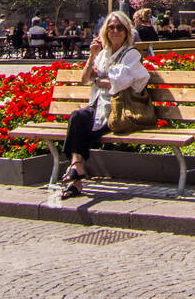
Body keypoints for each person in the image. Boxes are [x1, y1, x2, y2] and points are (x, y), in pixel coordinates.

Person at [60, 10, 149, 199]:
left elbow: (121, 83)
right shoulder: (102, 54)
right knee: (78, 118)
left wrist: (100, 80)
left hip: (118, 110)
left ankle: (76, 178)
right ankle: (77, 168)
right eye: (111, 28)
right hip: (98, 106)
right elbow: (85, 80)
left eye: (119, 28)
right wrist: (92, 57)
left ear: (126, 31)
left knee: (80, 123)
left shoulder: (130, 54)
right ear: (105, 31)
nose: (115, 31)